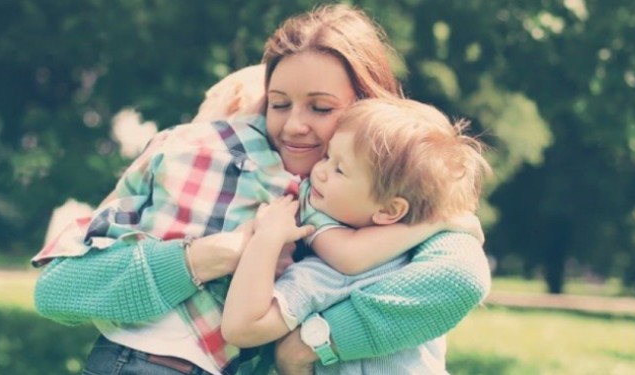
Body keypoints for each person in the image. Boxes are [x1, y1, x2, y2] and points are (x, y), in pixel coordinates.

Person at [31, 4, 490, 375]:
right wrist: (205, 256)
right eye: (278, 104)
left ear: (365, 112)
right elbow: (57, 290)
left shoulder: (407, 192)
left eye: (322, 108)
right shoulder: (207, 154)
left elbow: (459, 279)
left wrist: (313, 344)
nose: (294, 126)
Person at [221, 98, 490, 374]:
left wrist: (266, 238)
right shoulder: (421, 261)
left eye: (339, 169)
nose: (320, 171)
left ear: (389, 210)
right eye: (327, 156)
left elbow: (242, 327)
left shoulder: (333, 275)